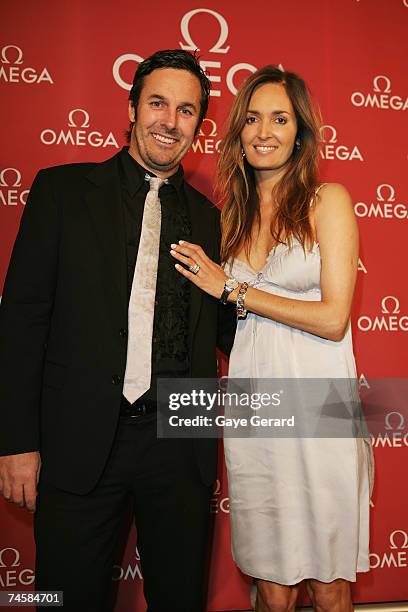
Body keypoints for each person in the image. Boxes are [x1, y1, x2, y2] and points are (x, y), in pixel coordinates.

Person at [0, 49, 235, 612]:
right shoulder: (61, 191)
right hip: (77, 441)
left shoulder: (211, 218)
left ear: (198, 126)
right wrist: (15, 441)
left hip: (179, 445)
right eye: (157, 102)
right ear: (131, 108)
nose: (169, 121)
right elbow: (22, 318)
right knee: (62, 599)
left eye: (186, 110)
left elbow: (229, 329)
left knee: (180, 600)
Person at [170, 65, 374, 612]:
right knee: (271, 582)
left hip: (320, 407)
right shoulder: (228, 217)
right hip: (255, 409)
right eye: (252, 118)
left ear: (300, 132)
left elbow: (333, 318)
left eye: (280, 118)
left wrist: (230, 286)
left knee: (329, 583)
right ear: (237, 132)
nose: (264, 130)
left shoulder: (328, 199)